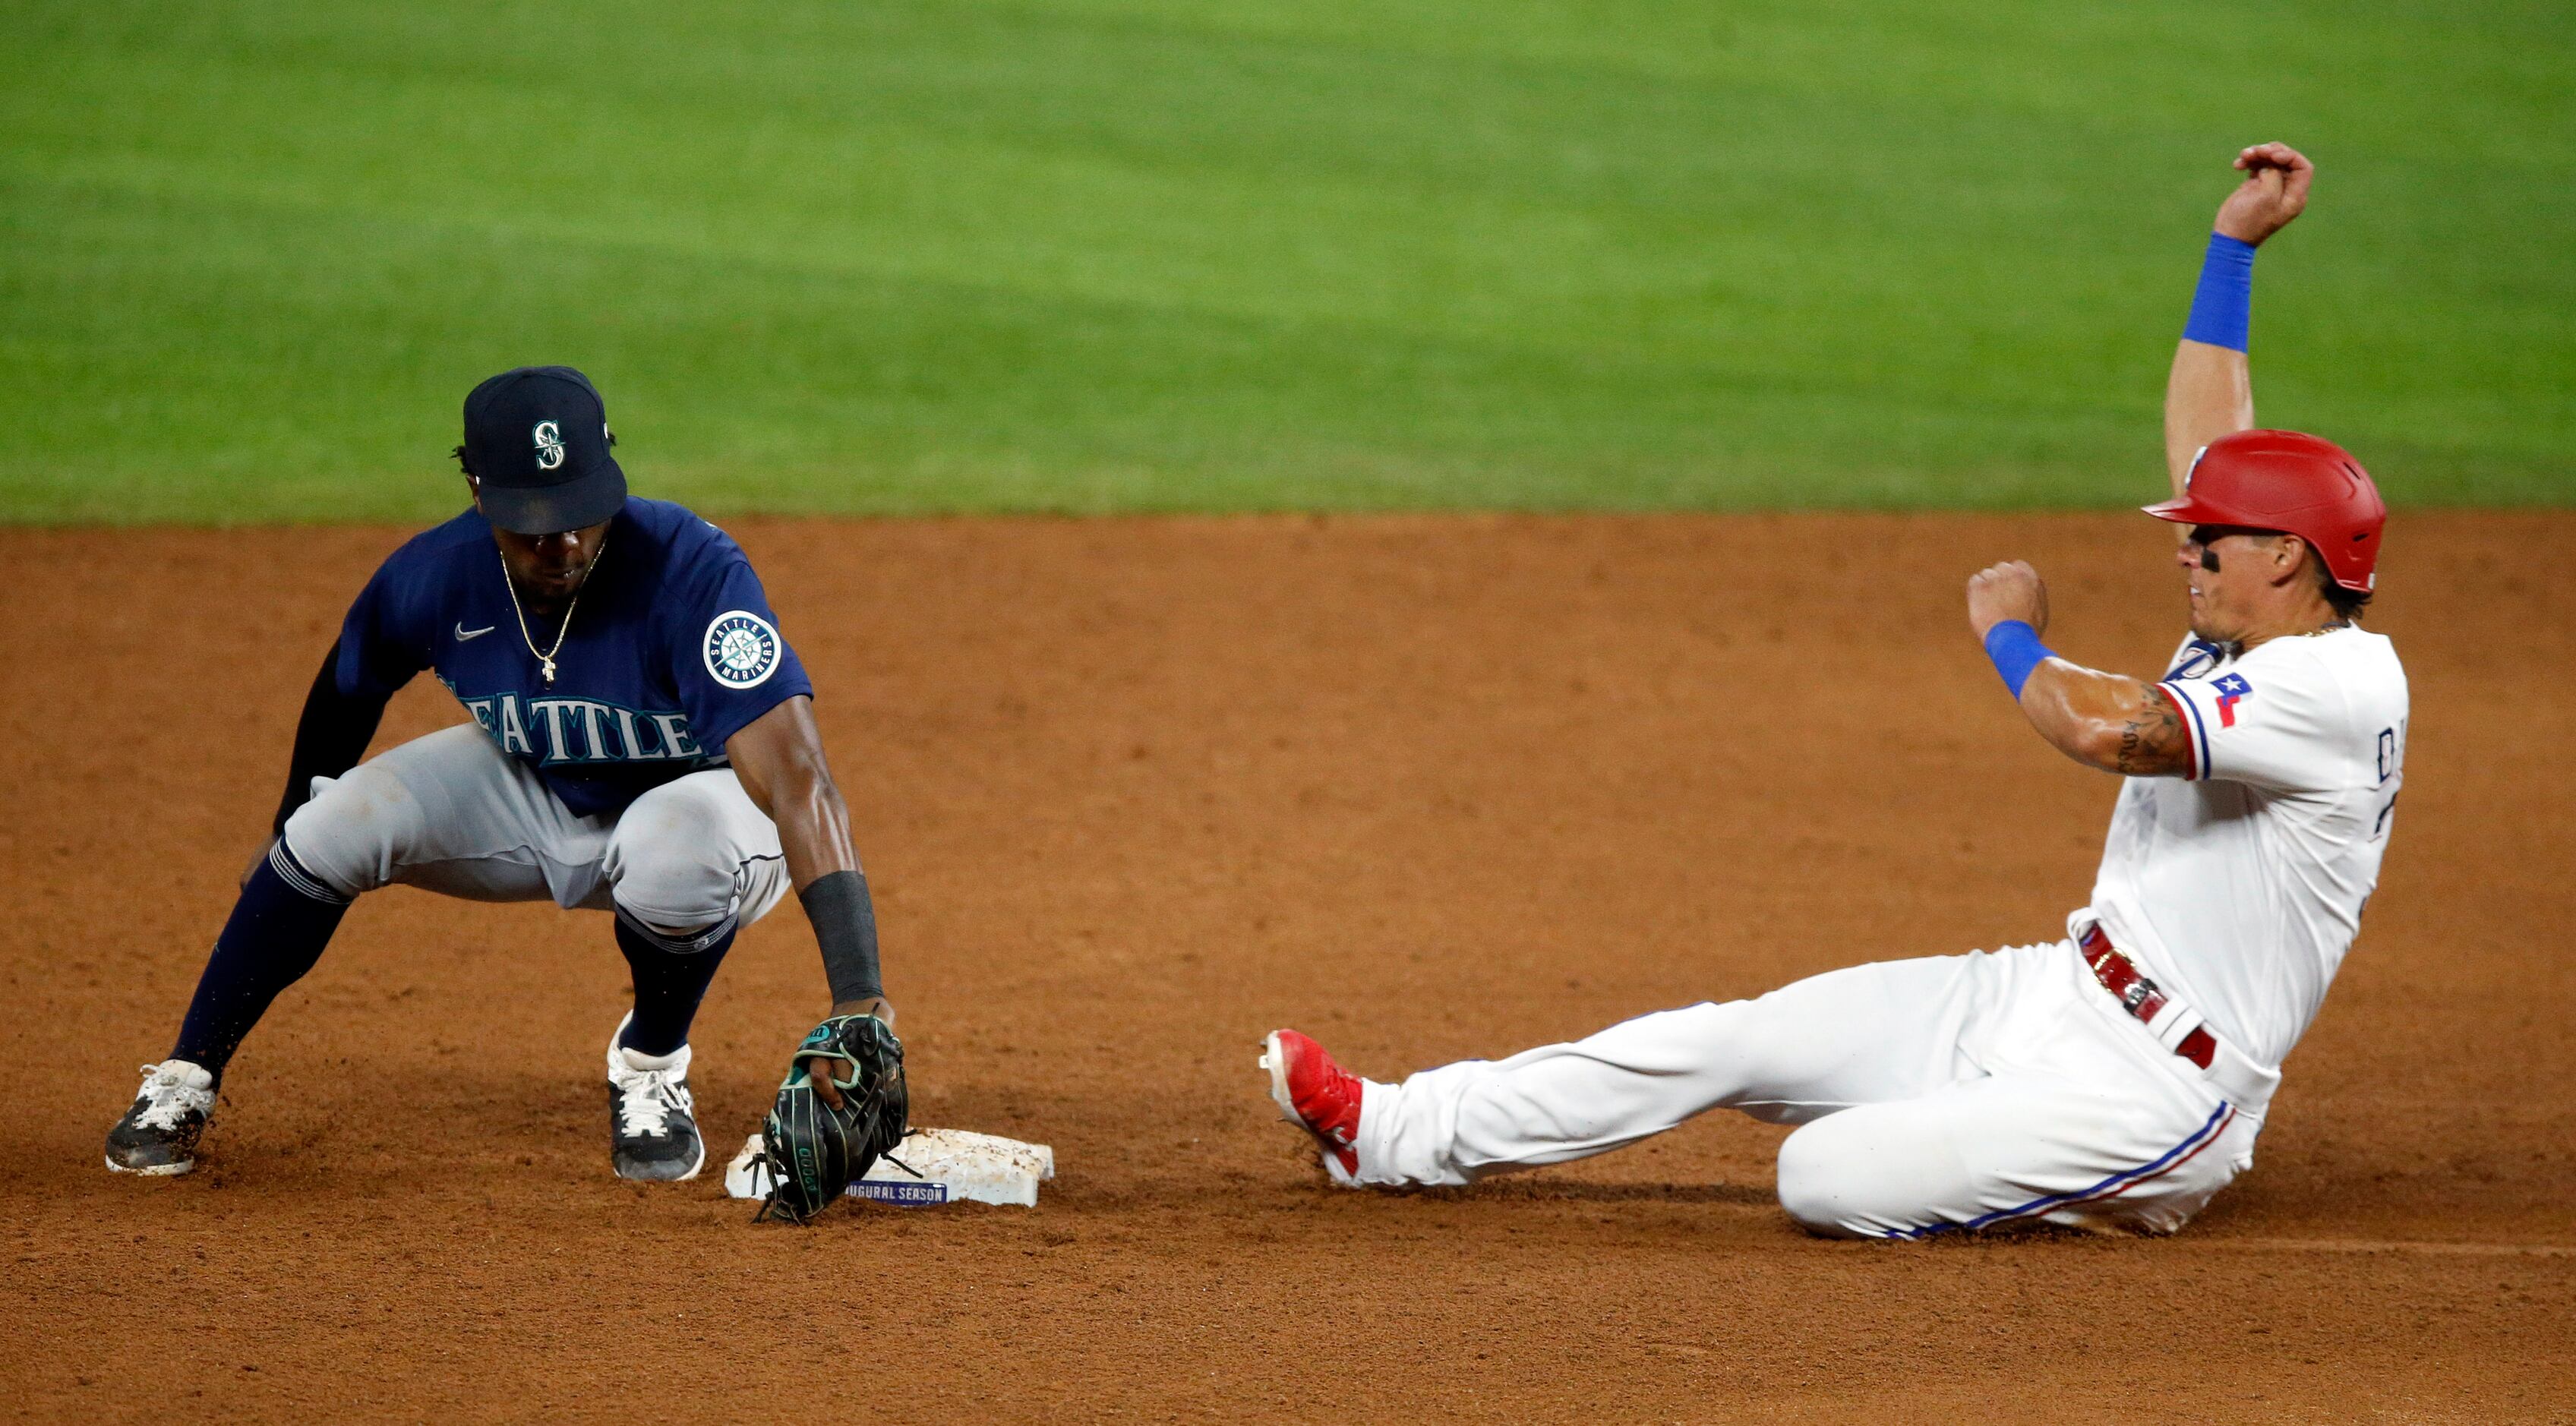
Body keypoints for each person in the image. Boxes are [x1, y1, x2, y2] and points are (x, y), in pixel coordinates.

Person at [1261, 143, 2408, 1236]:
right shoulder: (2254, 621)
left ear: (2289, 556)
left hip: (2157, 1092)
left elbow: (2110, 729)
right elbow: (2214, 450)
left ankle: (2056, 1175)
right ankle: (1395, 1130)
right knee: (1734, 1040)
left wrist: (2011, 636)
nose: (2186, 550)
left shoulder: (2334, 687)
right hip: (2050, 994)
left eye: (2212, 543)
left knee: (1822, 1175)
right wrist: (2232, 246)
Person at [106, 367, 898, 1183]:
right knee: (330, 827)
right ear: (478, 493)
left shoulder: (691, 570)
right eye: (532, 524)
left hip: (713, 813)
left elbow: (799, 779)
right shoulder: (432, 574)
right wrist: (283, 834)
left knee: (671, 848)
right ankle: (184, 1077)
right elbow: (346, 688)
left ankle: (651, 1064)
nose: (562, 546)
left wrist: (858, 999)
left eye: (580, 515)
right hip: (536, 788)